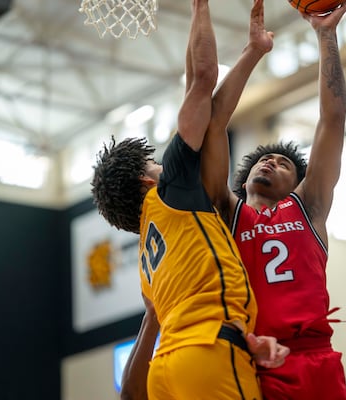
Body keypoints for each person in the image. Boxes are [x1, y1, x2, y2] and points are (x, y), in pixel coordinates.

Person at [91, 1, 287, 399]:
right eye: (154, 164)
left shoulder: (151, 260)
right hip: (207, 354)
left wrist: (251, 52)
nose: (164, 165)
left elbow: (200, 103)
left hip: (167, 370)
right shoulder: (170, 194)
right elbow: (202, 80)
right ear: (148, 180)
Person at [202, 1, 346, 398]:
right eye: (264, 159)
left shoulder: (309, 206)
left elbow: (332, 119)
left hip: (316, 356)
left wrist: (326, 35)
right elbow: (214, 122)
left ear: (298, 183)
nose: (270, 161)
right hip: (261, 361)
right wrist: (252, 54)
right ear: (246, 177)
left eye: (284, 163)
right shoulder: (228, 212)